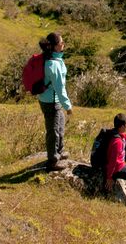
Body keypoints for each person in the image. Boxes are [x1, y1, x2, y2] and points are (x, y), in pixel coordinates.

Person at [38, 32, 72, 171]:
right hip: (51, 101)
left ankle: (60, 151)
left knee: (60, 125)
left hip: (50, 99)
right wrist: (68, 106)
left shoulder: (54, 59)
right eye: (61, 43)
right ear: (54, 46)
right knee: (53, 130)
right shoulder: (53, 64)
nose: (63, 45)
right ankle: (52, 161)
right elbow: (59, 88)